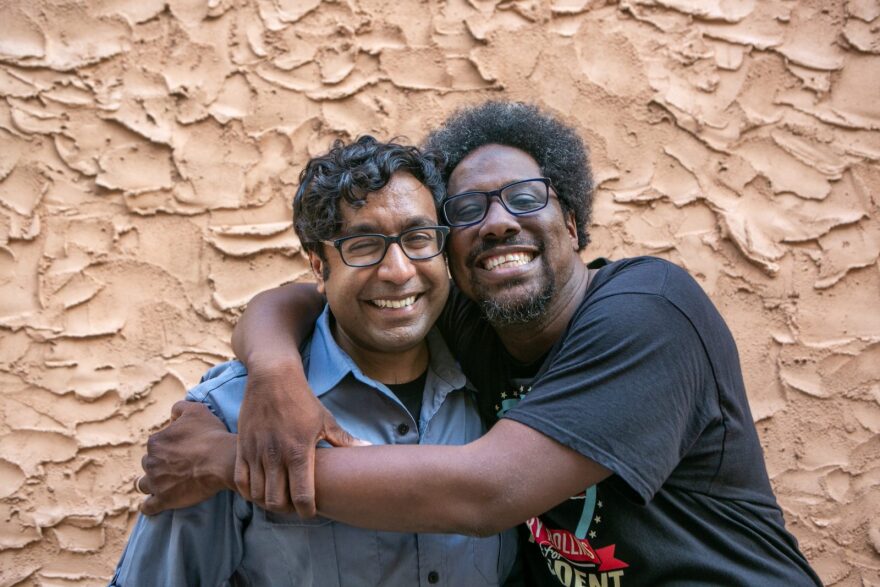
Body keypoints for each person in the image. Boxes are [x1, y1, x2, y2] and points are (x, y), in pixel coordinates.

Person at [140, 102, 821, 586]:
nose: (497, 223)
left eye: (524, 197)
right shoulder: (474, 326)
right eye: (467, 210)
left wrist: (233, 462)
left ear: (575, 221)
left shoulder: (650, 312)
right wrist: (273, 368)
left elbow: (489, 492)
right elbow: (306, 298)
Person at [111, 136, 517, 586]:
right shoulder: (228, 418)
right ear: (319, 267)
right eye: (363, 244)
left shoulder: (495, 389)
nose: (399, 271)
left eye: (419, 238)